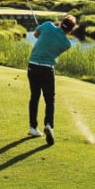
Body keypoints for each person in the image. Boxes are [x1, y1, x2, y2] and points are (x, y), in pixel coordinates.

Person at [27, 14, 78, 145]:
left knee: (35, 96)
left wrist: (43, 31)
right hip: (47, 69)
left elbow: (36, 35)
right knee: (50, 100)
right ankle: (49, 125)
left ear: (61, 23)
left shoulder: (48, 25)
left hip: (33, 66)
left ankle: (33, 127)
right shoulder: (66, 44)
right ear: (71, 30)